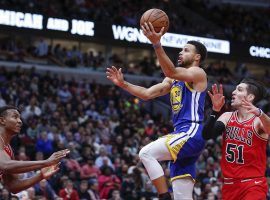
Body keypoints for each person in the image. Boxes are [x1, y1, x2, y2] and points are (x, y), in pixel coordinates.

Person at [106, 21, 208, 199]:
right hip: (184, 135)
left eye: (186, 50)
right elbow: (146, 94)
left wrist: (157, 44)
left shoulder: (198, 73)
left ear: (197, 57)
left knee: (146, 153)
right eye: (181, 50)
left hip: (191, 132)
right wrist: (123, 84)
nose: (180, 52)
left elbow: (171, 72)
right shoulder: (172, 80)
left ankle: (163, 196)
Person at [203, 79, 270, 199]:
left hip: (253, 184)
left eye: (239, 90)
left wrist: (260, 113)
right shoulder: (227, 117)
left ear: (250, 97)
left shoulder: (258, 121)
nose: (233, 92)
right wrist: (215, 110)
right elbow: (207, 135)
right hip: (229, 185)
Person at [0, 105, 69, 193]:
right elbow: (5, 165)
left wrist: (41, 175)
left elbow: (13, 186)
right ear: (2, 120)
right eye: (15, 117)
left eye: (20, 118)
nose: (20, 121)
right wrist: (45, 162)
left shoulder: (8, 149)